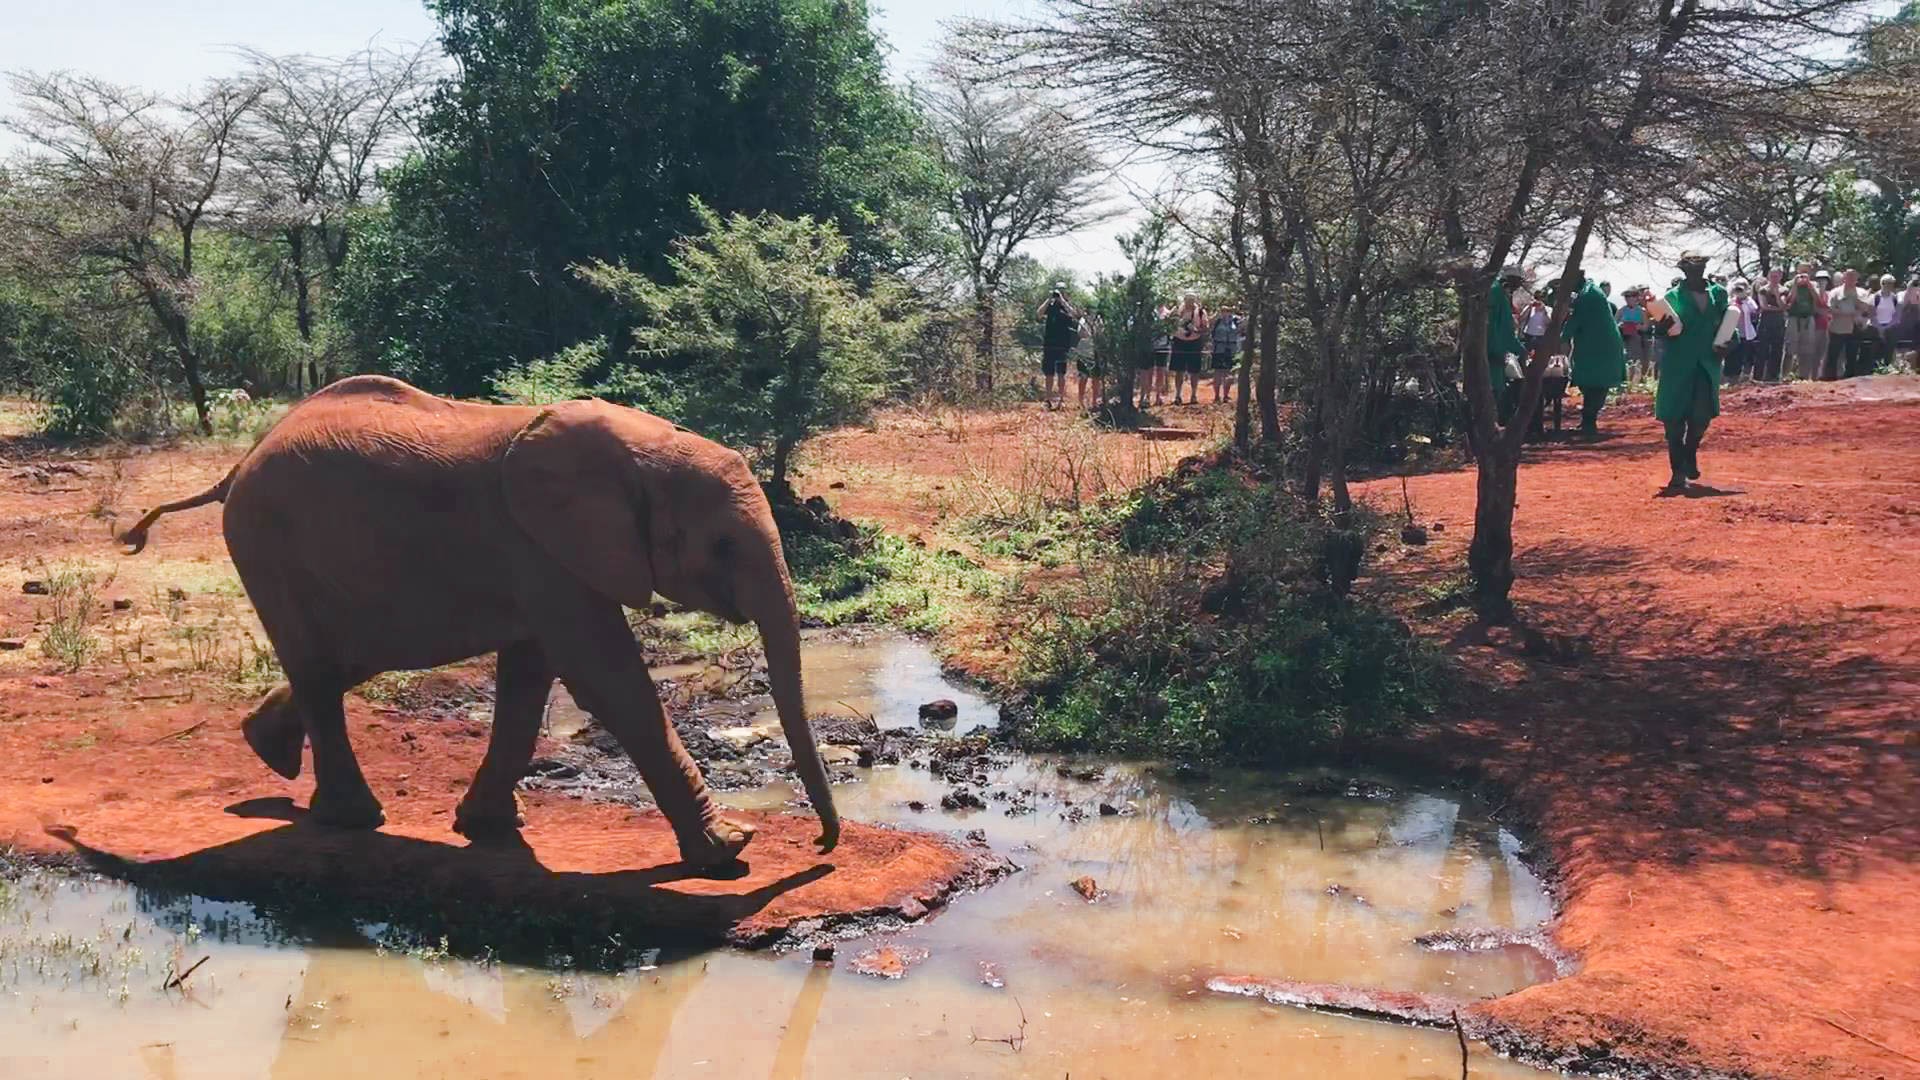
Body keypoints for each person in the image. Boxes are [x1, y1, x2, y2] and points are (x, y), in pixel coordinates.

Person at [1653, 253, 1731, 493]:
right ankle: (1678, 473)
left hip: (1707, 364)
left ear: (1705, 267)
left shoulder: (1718, 294)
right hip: (1678, 365)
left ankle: (1690, 451)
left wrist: (1728, 343)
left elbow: (1728, 325)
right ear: (1683, 269)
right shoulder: (1671, 298)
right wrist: (1662, 328)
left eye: (1699, 266)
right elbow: (1662, 332)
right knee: (1673, 421)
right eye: (1689, 267)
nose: (1694, 271)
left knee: (1701, 418)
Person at [1563, 270, 1626, 439]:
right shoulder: (1588, 291)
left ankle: (1589, 423)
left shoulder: (1588, 296)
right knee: (1590, 384)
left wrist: (1559, 337)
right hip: (1595, 347)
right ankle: (1587, 421)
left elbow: (1574, 322)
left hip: (1601, 348)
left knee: (1597, 385)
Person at [1486, 267, 1529, 426]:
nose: (1518, 285)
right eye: (1517, 281)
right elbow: (1503, 330)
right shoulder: (1497, 294)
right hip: (1493, 350)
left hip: (1492, 349)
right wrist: (1521, 350)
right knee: (1495, 388)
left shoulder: (1496, 292)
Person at [1037, 285, 1081, 409]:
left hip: (1062, 345)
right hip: (1049, 345)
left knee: (1061, 373)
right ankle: (1048, 400)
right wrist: (1048, 299)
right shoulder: (1049, 307)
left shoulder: (1066, 307)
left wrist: (1063, 301)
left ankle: (1061, 400)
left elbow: (1074, 315)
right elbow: (1039, 314)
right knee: (1049, 374)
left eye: (1062, 291)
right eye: (1058, 291)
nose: (1058, 294)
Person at [1825, 269, 1868, 379]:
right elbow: (1830, 308)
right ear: (1844, 278)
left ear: (1857, 279)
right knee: (1833, 355)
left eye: (1853, 277)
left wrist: (1854, 298)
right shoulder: (1835, 292)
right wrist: (1847, 313)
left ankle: (1850, 380)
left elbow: (1865, 308)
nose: (1851, 280)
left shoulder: (1862, 292)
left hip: (1855, 327)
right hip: (1838, 327)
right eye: (1849, 277)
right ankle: (1830, 379)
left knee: (1852, 355)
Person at [1168, 294, 1209, 405]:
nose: (1189, 302)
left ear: (1195, 300)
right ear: (1184, 299)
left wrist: (1196, 330)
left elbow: (1205, 328)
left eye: (1192, 300)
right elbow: (1169, 324)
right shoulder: (1177, 311)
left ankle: (1194, 395)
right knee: (1179, 370)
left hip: (1194, 343)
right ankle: (1177, 395)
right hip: (1179, 342)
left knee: (1194, 371)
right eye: (1187, 299)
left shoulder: (1200, 312)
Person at [1784, 265, 1822, 379]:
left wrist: (1809, 284)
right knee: (1790, 348)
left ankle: (1804, 376)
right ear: (1797, 271)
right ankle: (1786, 375)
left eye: (1806, 271)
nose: (1803, 274)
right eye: (1801, 271)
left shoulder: (1814, 285)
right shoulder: (1789, 284)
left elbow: (1818, 300)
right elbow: (1788, 300)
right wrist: (1795, 285)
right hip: (1793, 318)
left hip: (1808, 318)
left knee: (1807, 349)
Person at [1753, 268, 1787, 381]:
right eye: (1772, 276)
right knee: (1761, 349)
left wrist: (1777, 295)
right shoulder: (1763, 290)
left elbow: (1783, 305)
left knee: (1777, 350)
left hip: (1779, 323)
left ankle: (1773, 377)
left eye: (1776, 276)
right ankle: (1758, 377)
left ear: (1780, 277)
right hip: (1765, 323)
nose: (1773, 278)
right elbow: (1764, 306)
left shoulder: (1784, 290)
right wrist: (1777, 308)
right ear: (1768, 276)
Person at [1724, 280, 1757, 383]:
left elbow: (1754, 309)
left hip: (1745, 334)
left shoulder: (1749, 301)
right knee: (1732, 357)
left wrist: (1744, 298)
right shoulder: (1730, 300)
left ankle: (1744, 379)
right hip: (1732, 334)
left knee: (1745, 357)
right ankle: (1731, 380)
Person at [1208, 304, 1241, 403]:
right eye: (1223, 310)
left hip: (1231, 349)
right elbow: (1209, 325)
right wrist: (1216, 316)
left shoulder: (1235, 321)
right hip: (1219, 349)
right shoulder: (1217, 321)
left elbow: (1243, 327)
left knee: (1229, 372)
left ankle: (1226, 395)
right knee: (1218, 372)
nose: (1226, 313)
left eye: (1228, 310)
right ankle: (1217, 396)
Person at [1143, 304, 1172, 407]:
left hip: (1163, 346)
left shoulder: (1168, 313)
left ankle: (1158, 396)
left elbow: (1171, 330)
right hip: (1150, 346)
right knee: (1149, 372)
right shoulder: (1149, 312)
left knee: (1161, 372)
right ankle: (1147, 396)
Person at [1871, 274, 1901, 370]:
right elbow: (1872, 315)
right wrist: (1879, 328)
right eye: (1886, 283)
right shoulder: (1875, 297)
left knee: (1889, 350)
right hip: (1875, 328)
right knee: (1876, 351)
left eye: (1891, 283)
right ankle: (1875, 370)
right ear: (1882, 284)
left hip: (1890, 328)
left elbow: (1896, 315)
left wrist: (1886, 327)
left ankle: (1887, 369)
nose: (1889, 286)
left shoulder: (1895, 298)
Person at [1618, 288, 1649, 381]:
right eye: (1626, 297)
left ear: (1636, 298)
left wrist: (1638, 327)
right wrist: (1621, 325)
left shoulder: (1641, 311)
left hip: (1636, 338)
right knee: (1625, 359)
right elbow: (1614, 323)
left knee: (1635, 360)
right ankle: (1625, 380)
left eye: (1630, 296)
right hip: (1623, 337)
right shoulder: (1621, 310)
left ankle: (1636, 380)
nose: (1628, 299)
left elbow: (1646, 326)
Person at [1077, 311, 1105, 411]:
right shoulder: (1083, 320)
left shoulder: (1099, 320)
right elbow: (1081, 333)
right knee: (1083, 377)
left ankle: (1094, 402)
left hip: (1095, 352)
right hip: (1084, 352)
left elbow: (1101, 334)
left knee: (1096, 378)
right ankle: (1080, 402)